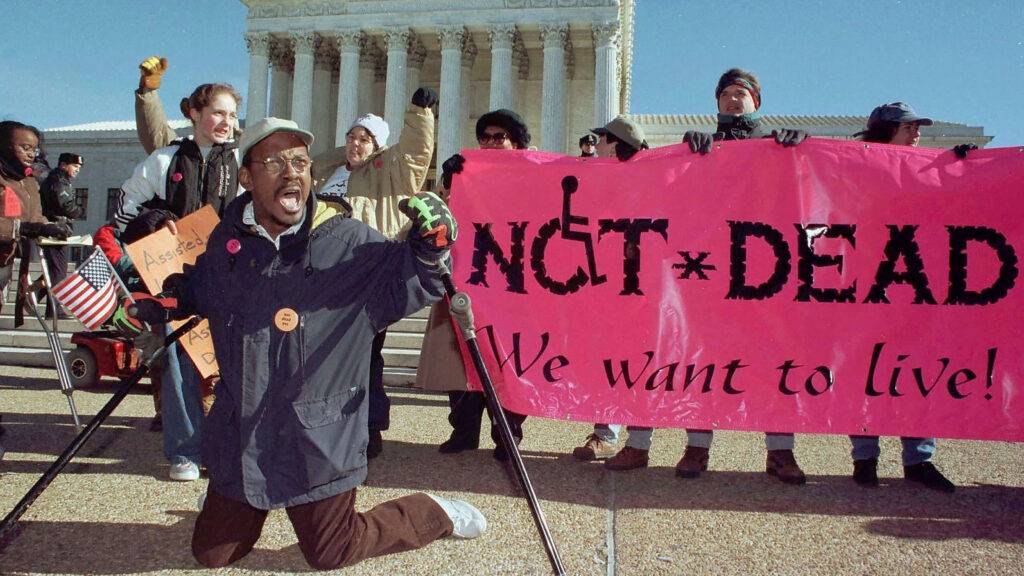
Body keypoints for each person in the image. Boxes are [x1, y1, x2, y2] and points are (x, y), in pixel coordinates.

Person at [131, 117, 485, 570]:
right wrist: (170, 299)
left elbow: (410, 279)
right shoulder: (226, 242)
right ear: (247, 177)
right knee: (212, 554)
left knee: (330, 552)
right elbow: (204, 285)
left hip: (317, 440)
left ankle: (434, 512)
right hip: (244, 436)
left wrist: (431, 248)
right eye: (274, 161)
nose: (291, 171)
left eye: (299, 161)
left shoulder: (347, 242)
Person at [674, 68, 808, 484]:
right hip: (713, 271)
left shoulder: (778, 147)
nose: (734, 101)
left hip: (764, 270)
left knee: (774, 361)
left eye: (742, 95)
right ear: (717, 103)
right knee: (706, 360)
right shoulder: (699, 148)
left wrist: (801, 152)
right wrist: (681, 160)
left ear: (757, 103)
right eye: (727, 95)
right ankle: (697, 447)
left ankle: (780, 452)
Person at [116, 81, 243, 482]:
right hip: (174, 279)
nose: (226, 122)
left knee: (233, 363)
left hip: (229, 277)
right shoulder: (164, 160)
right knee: (178, 361)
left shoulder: (243, 162)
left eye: (232, 115)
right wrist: (153, 220)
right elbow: (124, 209)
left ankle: (227, 448)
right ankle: (185, 451)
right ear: (194, 113)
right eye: (218, 113)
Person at [307, 88, 439, 459]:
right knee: (321, 356)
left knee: (365, 355)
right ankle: (324, 424)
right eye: (351, 136)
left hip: (364, 272)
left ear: (377, 146)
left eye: (365, 139)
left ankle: (369, 427)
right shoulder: (325, 171)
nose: (355, 143)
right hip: (319, 276)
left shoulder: (389, 173)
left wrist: (420, 113)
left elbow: (414, 154)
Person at [848, 101, 959, 493]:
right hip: (869, 287)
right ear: (886, 131)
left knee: (917, 372)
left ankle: (919, 460)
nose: (916, 134)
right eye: (907, 128)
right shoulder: (858, 169)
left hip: (918, 288)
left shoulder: (931, 171)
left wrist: (966, 169)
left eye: (916, 127)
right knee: (867, 373)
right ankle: (866, 458)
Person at [419, 109, 532, 461]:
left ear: (516, 142)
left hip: (514, 286)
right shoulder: (466, 176)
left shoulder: (533, 177)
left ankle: (507, 433)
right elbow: (445, 221)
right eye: (485, 137)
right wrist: (451, 182)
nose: (490, 143)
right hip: (469, 280)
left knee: (508, 360)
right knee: (462, 357)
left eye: (499, 137)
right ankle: (464, 430)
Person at [570, 116, 652, 466]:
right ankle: (605, 435)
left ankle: (638, 442)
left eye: (601, 139)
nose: (595, 144)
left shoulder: (649, 181)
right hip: (603, 287)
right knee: (608, 363)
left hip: (640, 291)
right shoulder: (597, 179)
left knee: (641, 365)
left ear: (616, 144)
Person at [0, 121, 70, 310]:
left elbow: (35, 216)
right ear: (5, 146)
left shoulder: (29, 182)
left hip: (5, 258)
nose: (31, 154)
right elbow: (20, 225)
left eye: (35, 149)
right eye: (25, 148)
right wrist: (22, 228)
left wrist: (49, 227)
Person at [38, 152, 84, 318]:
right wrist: (79, 210)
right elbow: (65, 205)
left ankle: (33, 297)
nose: (78, 170)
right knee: (59, 271)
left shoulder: (59, 180)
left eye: (79, 167)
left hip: (57, 230)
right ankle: (54, 309)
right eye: (75, 166)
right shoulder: (58, 181)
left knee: (53, 270)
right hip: (55, 230)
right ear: (63, 165)